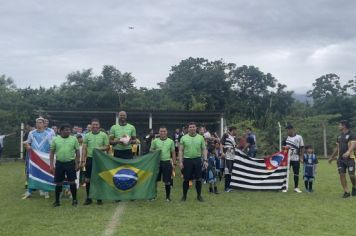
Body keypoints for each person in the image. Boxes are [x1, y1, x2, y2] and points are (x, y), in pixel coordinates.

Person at [50, 123, 80, 207]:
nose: (68, 131)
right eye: (66, 130)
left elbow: (77, 151)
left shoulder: (74, 139)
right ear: (61, 131)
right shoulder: (55, 139)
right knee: (58, 183)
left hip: (70, 163)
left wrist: (77, 163)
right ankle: (57, 201)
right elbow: (52, 152)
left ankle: (74, 200)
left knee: (72, 182)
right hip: (59, 163)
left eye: (69, 130)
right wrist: (51, 165)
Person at [23, 117, 54, 199]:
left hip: (44, 157)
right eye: (37, 122)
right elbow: (27, 142)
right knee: (32, 173)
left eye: (40, 122)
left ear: (44, 124)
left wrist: (50, 155)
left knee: (45, 174)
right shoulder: (31, 133)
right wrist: (27, 146)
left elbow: (52, 145)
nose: (39, 124)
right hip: (34, 157)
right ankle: (29, 191)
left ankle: (46, 191)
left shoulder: (49, 133)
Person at [82, 119, 109, 205]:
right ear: (91, 125)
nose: (95, 126)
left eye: (96, 125)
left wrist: (100, 149)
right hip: (90, 159)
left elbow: (107, 146)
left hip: (100, 159)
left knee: (99, 178)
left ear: (99, 125)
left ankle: (99, 197)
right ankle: (89, 197)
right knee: (87, 179)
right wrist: (83, 160)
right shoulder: (87, 135)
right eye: (93, 125)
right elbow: (84, 148)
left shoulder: (104, 135)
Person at [179, 122, 207, 202]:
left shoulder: (201, 137)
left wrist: (205, 160)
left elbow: (204, 149)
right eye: (190, 127)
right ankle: (184, 196)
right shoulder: (183, 138)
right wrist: (180, 162)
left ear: (196, 128)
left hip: (197, 160)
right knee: (186, 179)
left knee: (198, 179)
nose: (192, 128)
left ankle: (199, 196)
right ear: (188, 128)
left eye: (193, 127)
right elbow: (180, 150)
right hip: (187, 160)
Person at [329, 120, 356, 198]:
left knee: (352, 176)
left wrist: (348, 152)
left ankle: (354, 187)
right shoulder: (339, 136)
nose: (339, 126)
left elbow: (353, 145)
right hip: (340, 159)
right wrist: (332, 157)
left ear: (344, 126)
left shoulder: (352, 135)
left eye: (340, 125)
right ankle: (346, 192)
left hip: (350, 158)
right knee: (341, 175)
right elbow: (337, 148)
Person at [150, 126, 176, 202]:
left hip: (167, 162)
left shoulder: (171, 141)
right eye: (161, 131)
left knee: (167, 181)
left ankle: (168, 197)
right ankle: (153, 196)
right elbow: (150, 150)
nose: (162, 133)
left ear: (166, 132)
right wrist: (155, 151)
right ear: (159, 132)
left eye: (164, 131)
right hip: (157, 163)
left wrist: (174, 163)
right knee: (154, 180)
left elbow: (173, 153)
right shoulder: (155, 141)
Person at [283, 124, 304, 193]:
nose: (287, 131)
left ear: (292, 129)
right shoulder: (286, 138)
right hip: (288, 159)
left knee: (296, 173)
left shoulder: (299, 137)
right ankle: (285, 187)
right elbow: (282, 149)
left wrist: (301, 157)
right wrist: (285, 148)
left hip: (296, 158)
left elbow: (302, 147)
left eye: (288, 130)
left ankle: (296, 187)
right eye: (286, 130)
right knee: (286, 173)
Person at [220, 126, 237, 192]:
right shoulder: (226, 135)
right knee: (227, 171)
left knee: (231, 171)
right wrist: (222, 153)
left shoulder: (234, 138)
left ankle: (230, 186)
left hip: (233, 156)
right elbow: (221, 143)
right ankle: (226, 187)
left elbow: (235, 147)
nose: (236, 132)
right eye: (235, 130)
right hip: (227, 155)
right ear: (232, 130)